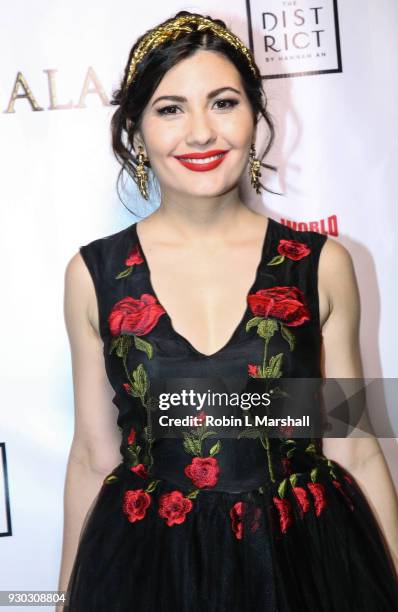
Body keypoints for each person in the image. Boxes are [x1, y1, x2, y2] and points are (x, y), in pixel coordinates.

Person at [58, 10, 398, 611]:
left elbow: (353, 442)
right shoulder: (94, 276)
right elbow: (93, 453)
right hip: (149, 567)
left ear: (254, 115)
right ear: (136, 130)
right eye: (170, 109)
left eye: (222, 102)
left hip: (302, 562)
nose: (200, 133)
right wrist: (64, 598)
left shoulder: (320, 264)